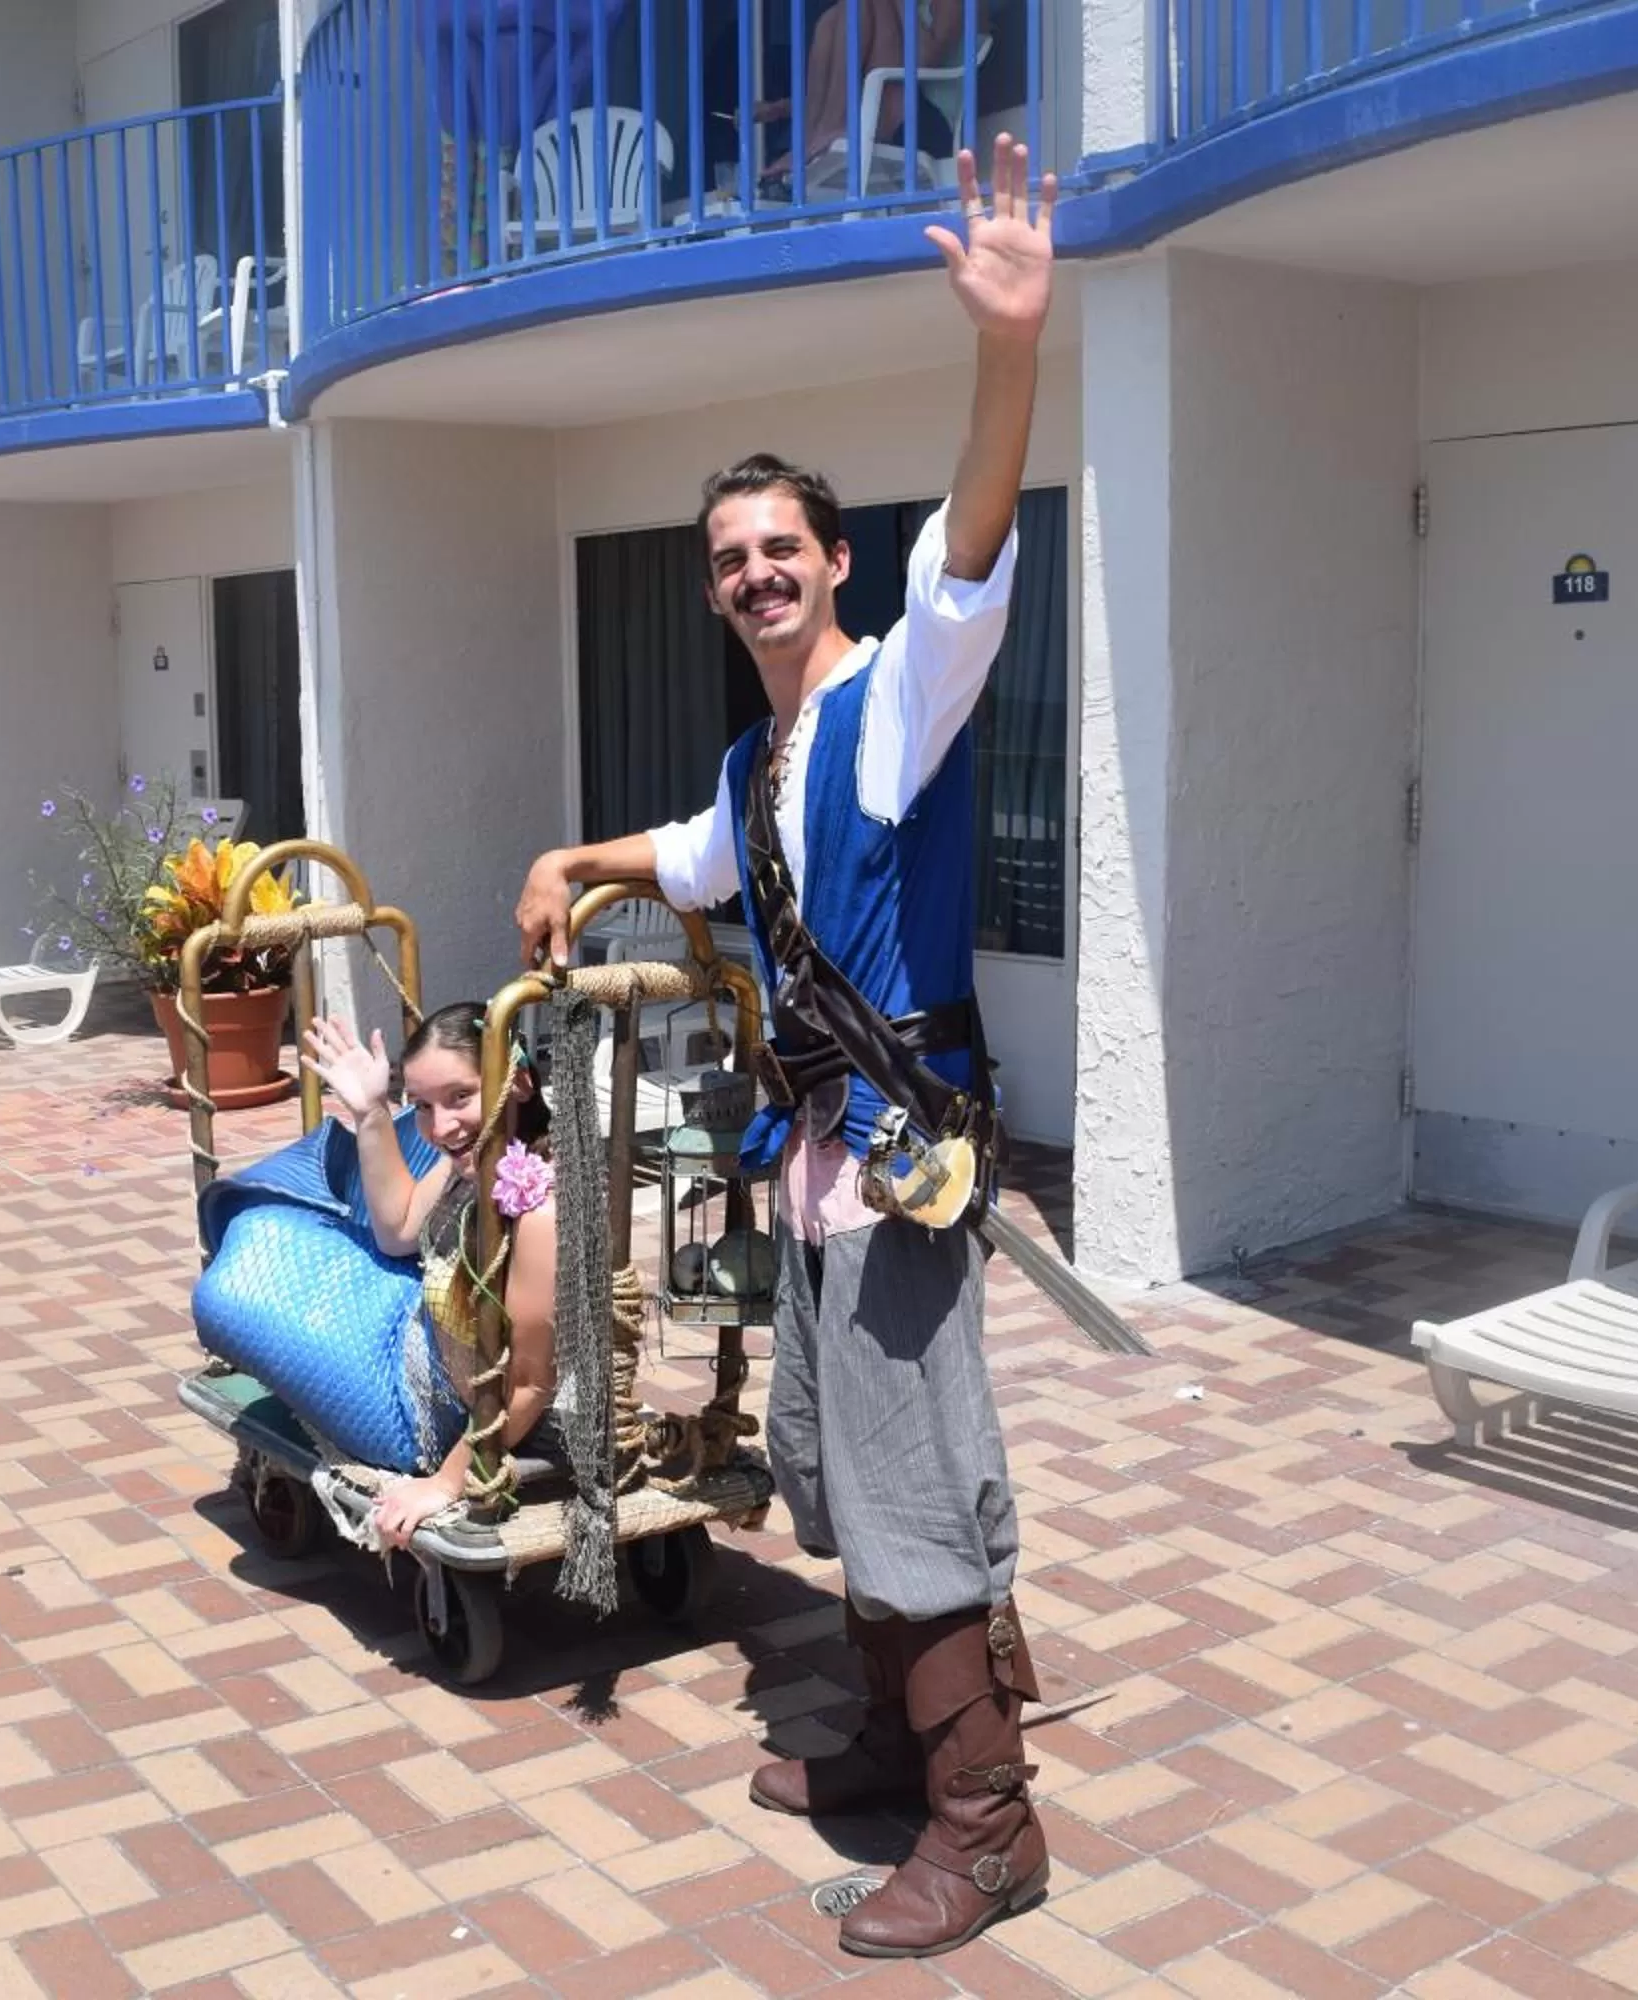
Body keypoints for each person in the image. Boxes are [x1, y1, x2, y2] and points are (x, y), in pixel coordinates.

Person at [513, 137, 1056, 1960]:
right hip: (815, 1169)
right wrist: (563, 859)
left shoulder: (893, 702)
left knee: (908, 1487)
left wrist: (1008, 345)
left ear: (838, 565)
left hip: (902, 1165)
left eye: (785, 552)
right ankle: (906, 1758)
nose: (758, 577)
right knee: (832, 1467)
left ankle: (985, 1833)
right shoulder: (759, 769)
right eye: (731, 559)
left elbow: (974, 542)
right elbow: (684, 854)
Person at [301, 1004, 560, 1552]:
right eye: (421, 1105)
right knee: (297, 1238)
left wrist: (445, 1483)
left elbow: (530, 1381)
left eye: (459, 1097)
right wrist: (370, 1111)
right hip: (412, 1355)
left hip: (422, 1419)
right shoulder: (477, 1153)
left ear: (518, 1083)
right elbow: (396, 1231)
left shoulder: (539, 1208)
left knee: (245, 1283)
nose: (440, 1126)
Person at [758, 0, 973, 189]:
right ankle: (812, 138)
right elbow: (851, 83)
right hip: (875, 113)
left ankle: (829, 131)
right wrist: (781, 108)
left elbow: (926, 61)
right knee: (837, 15)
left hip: (923, 124)